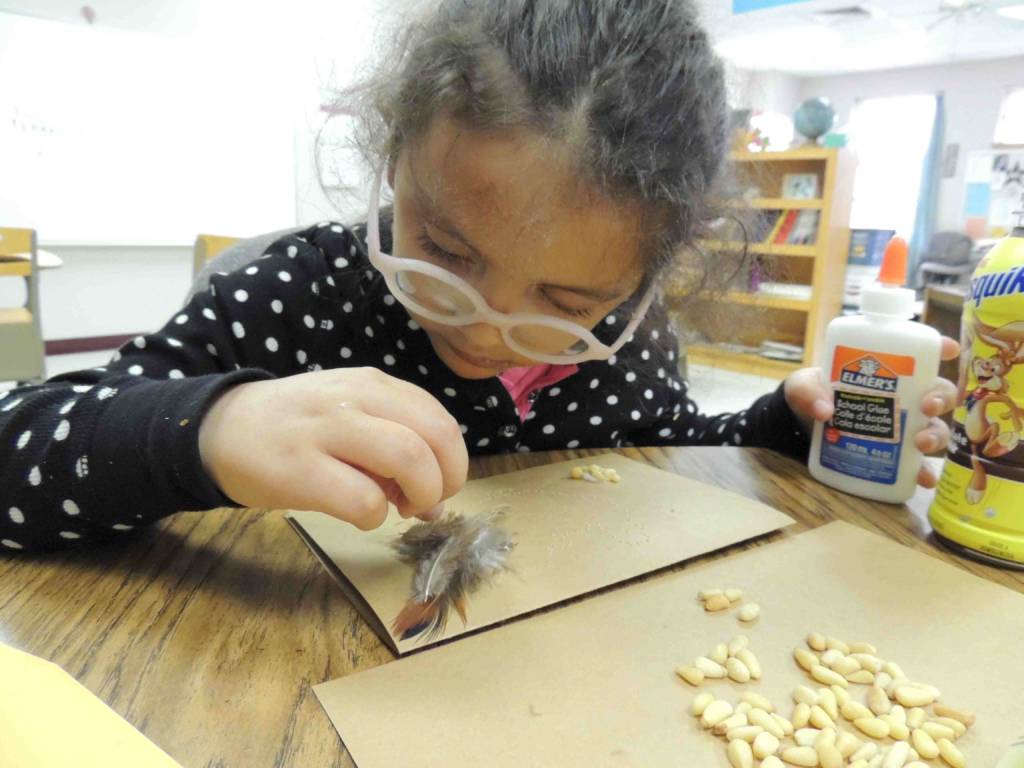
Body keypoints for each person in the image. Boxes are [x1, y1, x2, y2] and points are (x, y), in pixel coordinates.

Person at [0, 0, 958, 553]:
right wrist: (207, 429)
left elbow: (660, 449)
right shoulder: (292, 301)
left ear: (642, 279)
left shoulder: (625, 346)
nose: (488, 332)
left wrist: (775, 427)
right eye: (447, 255)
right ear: (395, 157)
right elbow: (21, 443)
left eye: (566, 305)